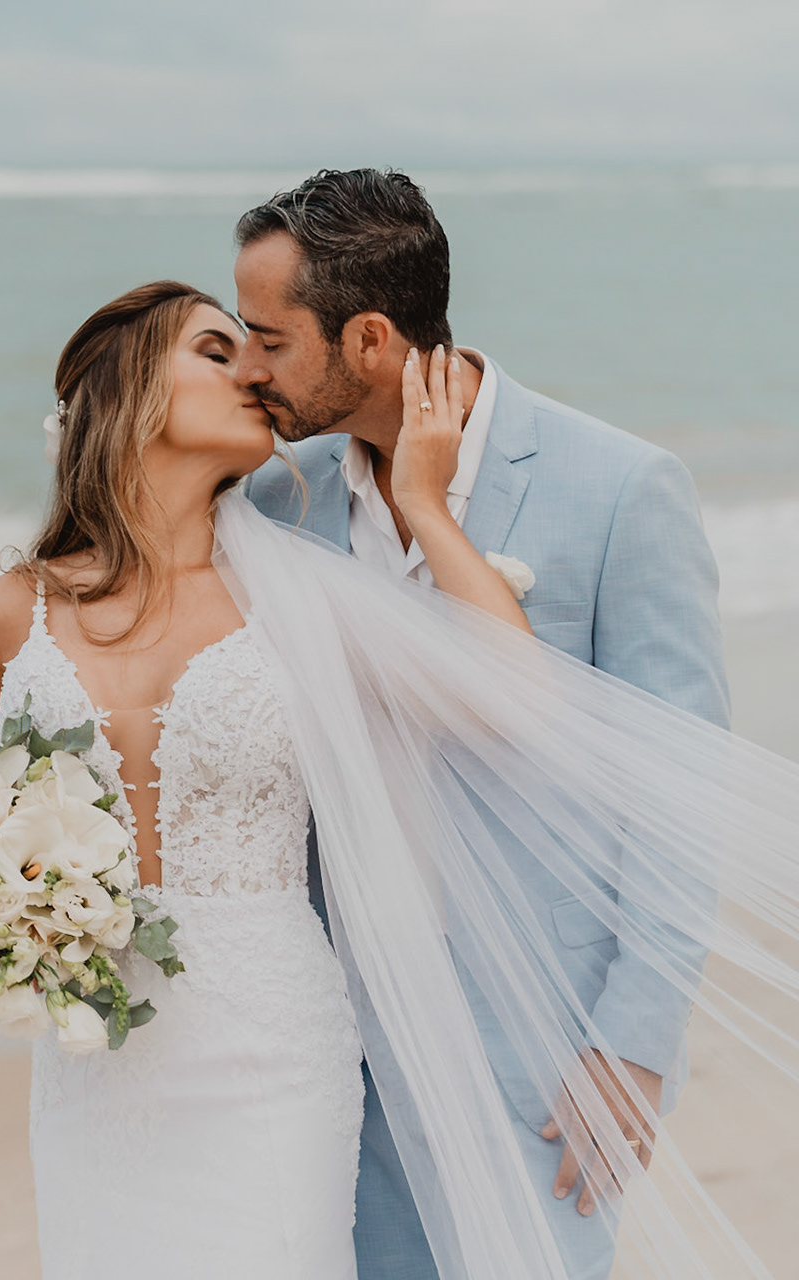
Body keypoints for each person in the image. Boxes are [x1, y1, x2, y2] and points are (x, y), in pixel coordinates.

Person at [0, 272, 799, 1275]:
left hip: (270, 1049)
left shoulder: (293, 591)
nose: (253, 366)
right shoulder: (11, 607)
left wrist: (422, 499)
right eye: (213, 348)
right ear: (131, 391)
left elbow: (517, 694)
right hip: (91, 1068)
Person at [236, 168, 725, 1280]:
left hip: (543, 1037)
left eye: (268, 338)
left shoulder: (618, 487)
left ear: (366, 339)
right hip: (335, 1038)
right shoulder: (274, 500)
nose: (246, 366)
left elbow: (679, 792)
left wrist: (635, 1039)